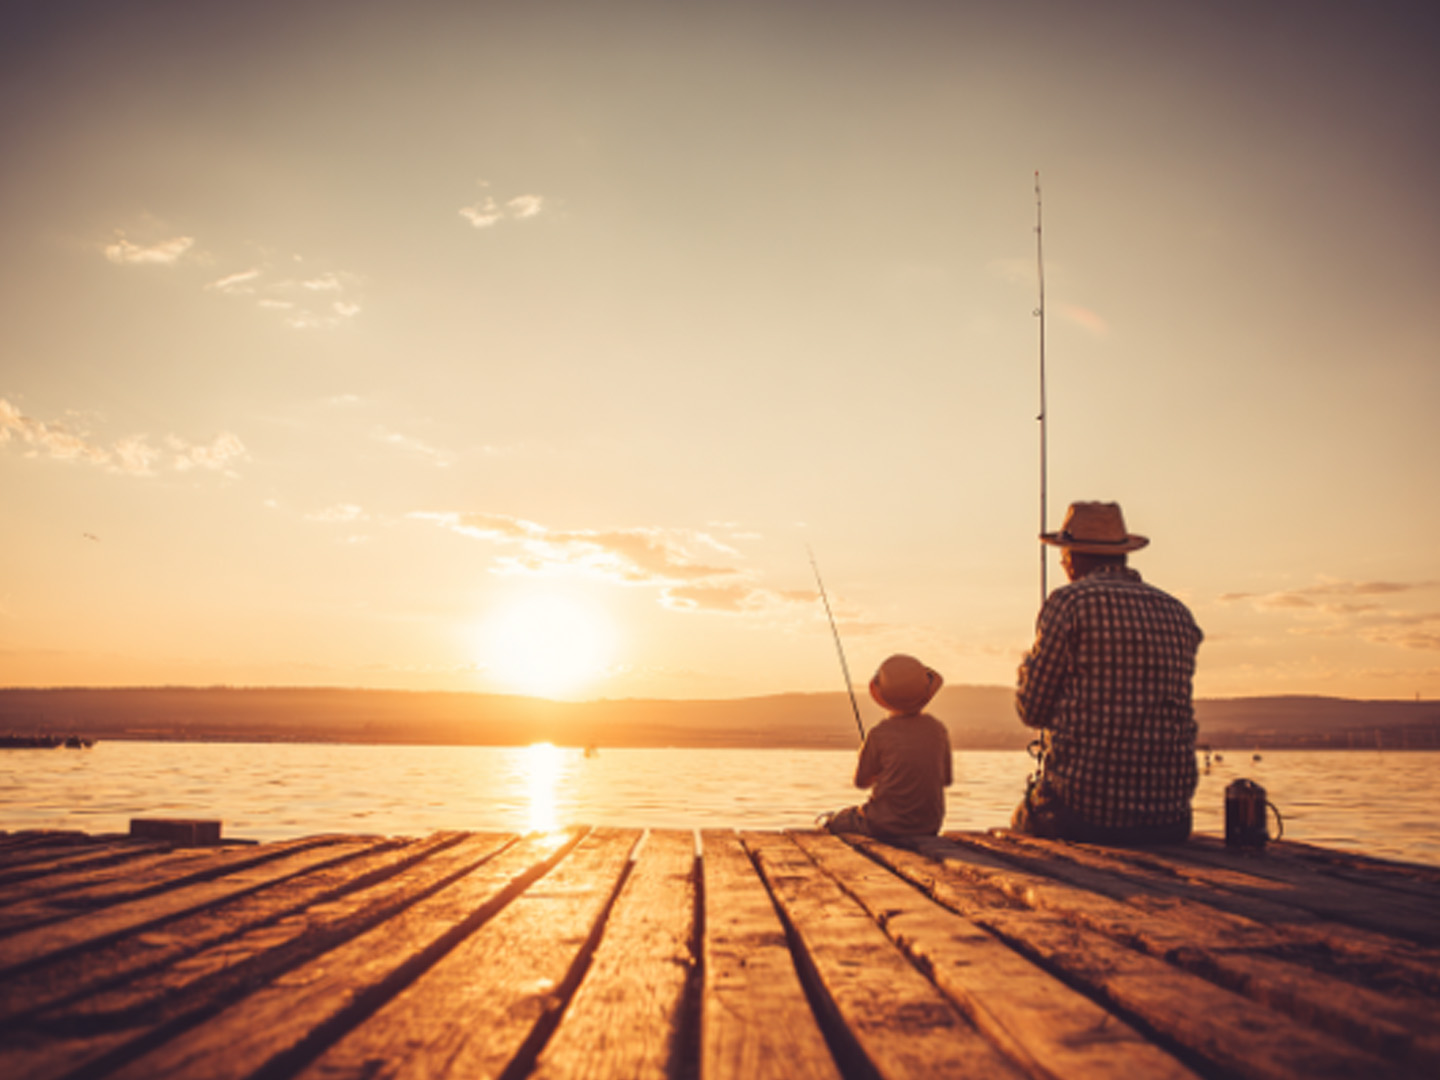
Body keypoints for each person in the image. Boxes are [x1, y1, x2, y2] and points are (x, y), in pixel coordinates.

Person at [1012, 501, 1202, 844]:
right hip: (1170, 820)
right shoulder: (1178, 612)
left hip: (1083, 814)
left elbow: (1032, 711)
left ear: (1071, 558)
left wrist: (1028, 666)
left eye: (1063, 555)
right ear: (1122, 554)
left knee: (1022, 820)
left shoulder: (1069, 603)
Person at [823, 654, 953, 839]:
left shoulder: (879, 734)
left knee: (832, 821)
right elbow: (945, 779)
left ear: (883, 695)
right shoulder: (938, 731)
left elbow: (861, 782)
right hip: (929, 827)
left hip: (883, 826)